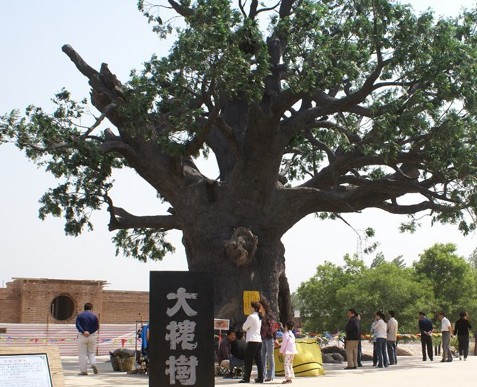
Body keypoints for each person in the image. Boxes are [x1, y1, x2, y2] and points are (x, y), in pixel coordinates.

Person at [239, 301, 264, 384]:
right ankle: (260, 378)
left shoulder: (251, 316)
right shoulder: (259, 317)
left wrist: (248, 329)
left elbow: (244, 327)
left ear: (254, 308)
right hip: (258, 340)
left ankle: (246, 378)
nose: (250, 308)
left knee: (248, 359)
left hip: (252, 340)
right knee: (258, 360)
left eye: (251, 307)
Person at [75, 302, 100, 375]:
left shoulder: (80, 315)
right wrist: (90, 332)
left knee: (82, 354)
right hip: (92, 336)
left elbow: (77, 325)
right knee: (91, 352)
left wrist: (83, 332)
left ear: (84, 308)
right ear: (91, 308)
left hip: (82, 336)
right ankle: (93, 363)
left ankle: (84, 371)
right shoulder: (94, 316)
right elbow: (96, 326)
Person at [260, 298, 278, 382]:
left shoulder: (269, 315)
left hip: (270, 338)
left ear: (263, 306)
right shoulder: (260, 316)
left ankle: (271, 375)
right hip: (263, 338)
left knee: (270, 357)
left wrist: (275, 338)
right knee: (262, 357)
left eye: (260, 306)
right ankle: (262, 375)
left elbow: (274, 327)